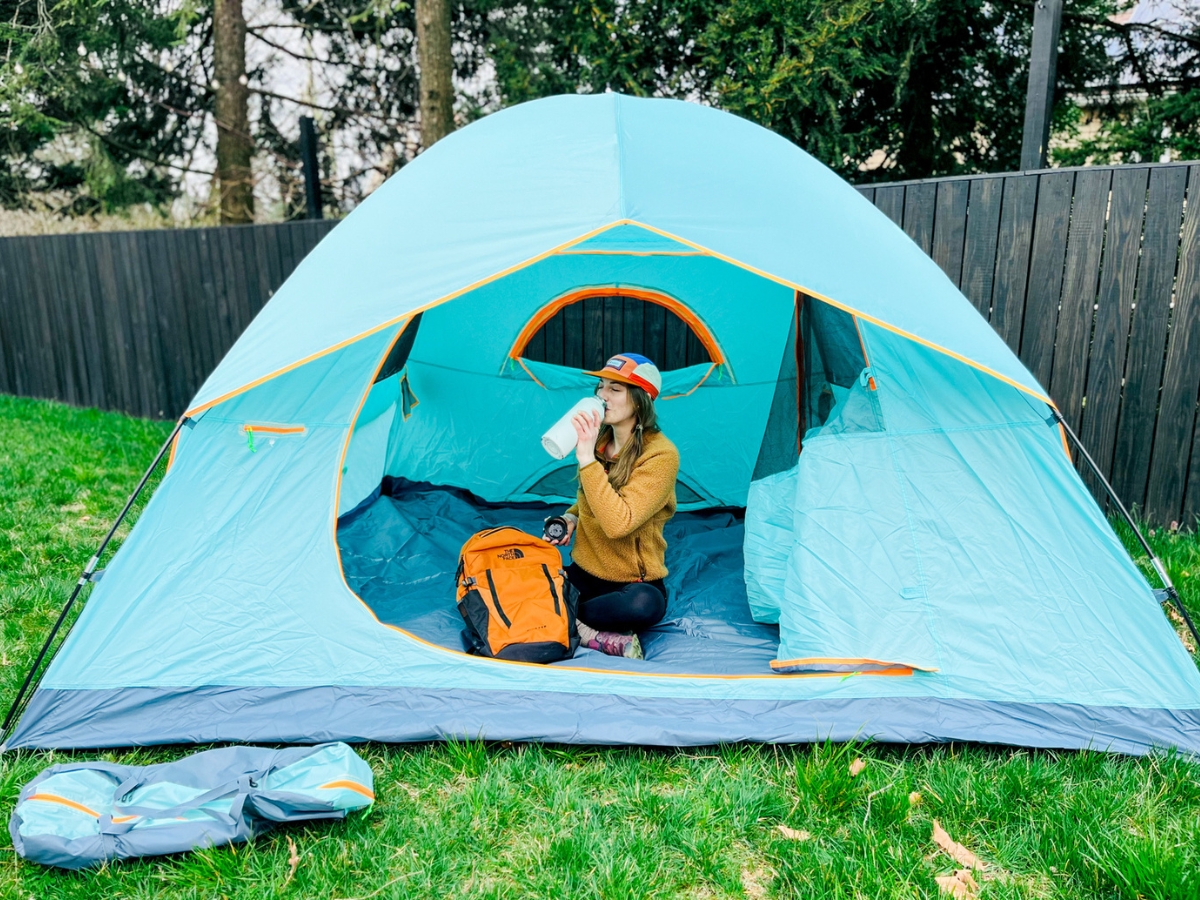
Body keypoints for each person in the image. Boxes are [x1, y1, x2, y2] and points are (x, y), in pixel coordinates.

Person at [547, 353, 679, 659]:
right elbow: (592, 495)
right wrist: (570, 518)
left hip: (629, 584)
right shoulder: (599, 441)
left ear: (640, 399)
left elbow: (620, 522)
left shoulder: (661, 456)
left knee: (644, 605)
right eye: (601, 386)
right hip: (583, 573)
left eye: (614, 389)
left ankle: (565, 619)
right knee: (521, 573)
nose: (601, 396)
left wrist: (586, 459)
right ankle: (587, 632)